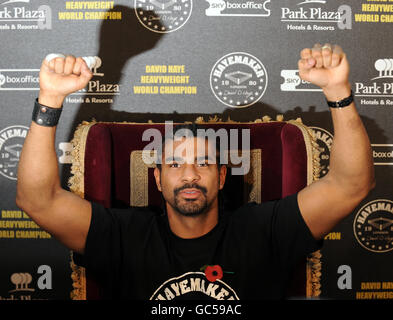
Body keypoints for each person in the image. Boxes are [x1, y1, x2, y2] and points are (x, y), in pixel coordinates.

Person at [16, 43, 375, 299]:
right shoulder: (123, 236)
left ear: (221, 176)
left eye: (203, 163)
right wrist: (50, 100)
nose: (190, 174)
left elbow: (352, 185)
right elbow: (37, 200)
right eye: (174, 163)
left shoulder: (263, 230)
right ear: (157, 178)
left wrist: (337, 92)